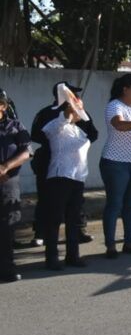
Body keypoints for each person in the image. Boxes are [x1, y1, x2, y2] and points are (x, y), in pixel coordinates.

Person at [29, 82, 98, 247]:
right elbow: (37, 134)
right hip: (49, 162)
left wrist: (79, 145)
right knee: (47, 199)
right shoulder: (47, 113)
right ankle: (41, 233)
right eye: (73, 94)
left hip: (74, 165)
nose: (77, 98)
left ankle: (77, 232)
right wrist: (57, 142)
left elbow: (93, 133)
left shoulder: (82, 114)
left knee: (75, 202)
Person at [100, 74, 131, 258]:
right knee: (115, 204)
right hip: (115, 162)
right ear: (125, 89)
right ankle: (110, 246)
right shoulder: (114, 106)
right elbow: (119, 125)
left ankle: (130, 243)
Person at [40, 101, 91, 270]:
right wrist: (67, 114)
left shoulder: (80, 131)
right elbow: (48, 130)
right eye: (77, 108)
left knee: (73, 219)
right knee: (54, 218)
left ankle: (72, 255)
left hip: (77, 178)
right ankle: (52, 257)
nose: (80, 111)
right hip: (60, 176)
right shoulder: (57, 126)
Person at [0, 88, 31, 282]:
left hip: (8, 183)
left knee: (7, 227)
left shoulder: (15, 126)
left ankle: (6, 268)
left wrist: (4, 167)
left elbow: (26, 151)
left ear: (2, 106)